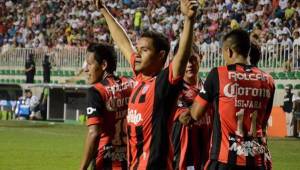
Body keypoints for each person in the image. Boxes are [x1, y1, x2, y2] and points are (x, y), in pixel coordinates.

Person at [95, 0, 198, 169]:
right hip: (135, 164)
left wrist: (189, 20)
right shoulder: (140, 76)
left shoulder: (164, 83)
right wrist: (104, 10)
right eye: (138, 48)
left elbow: (181, 58)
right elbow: (123, 43)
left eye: (145, 50)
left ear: (160, 55)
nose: (138, 54)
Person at [189, 29, 275, 169]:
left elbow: (195, 113)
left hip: (225, 160)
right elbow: (263, 123)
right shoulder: (268, 80)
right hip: (258, 160)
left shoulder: (218, 74)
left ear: (229, 51)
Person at [80, 43, 134, 170]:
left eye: (90, 64)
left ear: (103, 65)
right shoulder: (132, 83)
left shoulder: (97, 91)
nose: (86, 69)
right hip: (131, 161)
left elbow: (94, 133)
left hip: (106, 162)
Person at [171, 43, 212, 170]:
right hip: (182, 159)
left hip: (207, 158)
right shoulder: (172, 91)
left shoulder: (209, 88)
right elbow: (185, 118)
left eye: (193, 59)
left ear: (201, 57)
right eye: (184, 60)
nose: (189, 64)